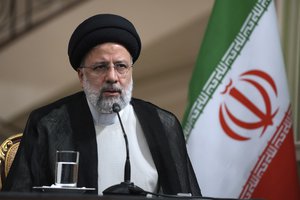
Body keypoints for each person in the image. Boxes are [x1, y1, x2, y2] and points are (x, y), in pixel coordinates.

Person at [2, 14, 201, 196]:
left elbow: (184, 194)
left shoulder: (162, 124)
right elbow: (20, 195)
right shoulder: (48, 124)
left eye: (121, 66)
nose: (112, 77)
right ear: (82, 76)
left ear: (131, 71)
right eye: (100, 67)